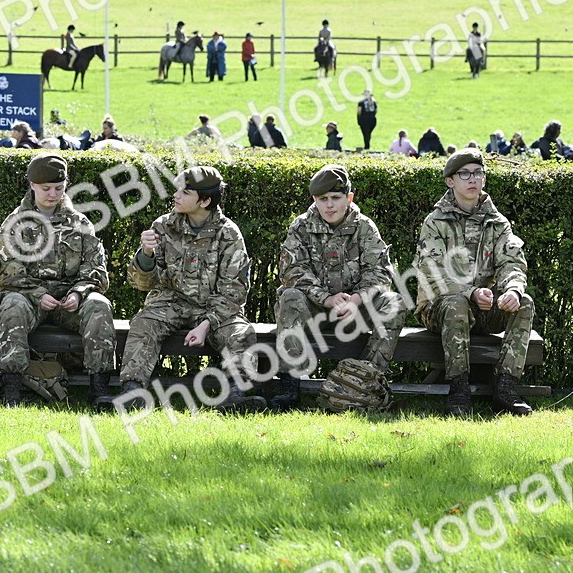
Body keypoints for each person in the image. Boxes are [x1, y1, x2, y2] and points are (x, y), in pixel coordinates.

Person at [118, 167, 267, 412]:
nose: (176, 195)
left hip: (214, 309)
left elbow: (234, 291)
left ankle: (236, 395)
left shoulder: (228, 234)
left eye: (185, 192)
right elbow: (142, 284)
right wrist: (145, 255)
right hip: (169, 303)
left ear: (205, 201)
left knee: (240, 333)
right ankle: (132, 391)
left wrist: (206, 323)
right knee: (143, 323)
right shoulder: (164, 226)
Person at [275, 165, 408, 411]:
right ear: (314, 200)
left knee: (394, 302)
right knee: (290, 296)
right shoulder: (301, 226)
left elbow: (380, 272)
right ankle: (288, 386)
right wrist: (325, 298)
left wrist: (357, 299)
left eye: (336, 198)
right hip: (315, 309)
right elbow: (292, 271)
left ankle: (365, 379)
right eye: (322, 199)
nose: (329, 205)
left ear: (349, 198)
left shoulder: (364, 227)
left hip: (355, 311)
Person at [415, 149, 535, 417]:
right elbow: (432, 273)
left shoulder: (498, 223)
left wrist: (512, 290)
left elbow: (512, 262)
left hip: (483, 308)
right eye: (465, 174)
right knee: (457, 303)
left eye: (478, 173)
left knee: (524, 303)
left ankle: (505, 389)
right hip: (439, 308)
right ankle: (459, 390)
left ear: (484, 179)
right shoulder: (435, 223)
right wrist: (470, 292)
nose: (473, 179)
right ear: (450, 181)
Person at [0, 153, 117, 407]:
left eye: (59, 188)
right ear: (32, 185)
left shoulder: (80, 223)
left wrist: (79, 292)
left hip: (68, 301)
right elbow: (7, 273)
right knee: (12, 306)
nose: (53, 194)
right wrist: (38, 294)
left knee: (99, 305)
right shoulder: (14, 223)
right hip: (28, 297)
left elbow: (96, 267)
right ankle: (12, 390)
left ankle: (100, 389)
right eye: (46, 188)